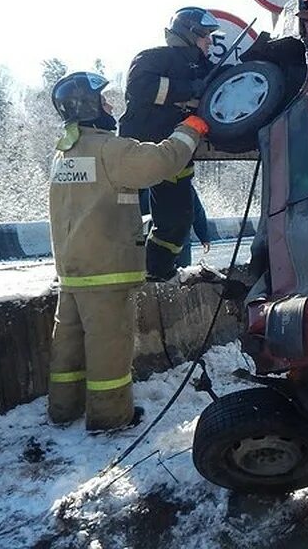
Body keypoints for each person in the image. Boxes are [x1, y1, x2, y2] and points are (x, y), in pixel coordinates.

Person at [48, 71, 209, 431]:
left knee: (68, 345)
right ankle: (110, 417)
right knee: (110, 348)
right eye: (103, 100)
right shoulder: (108, 149)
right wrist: (191, 129)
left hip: (72, 270)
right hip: (106, 271)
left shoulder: (64, 153)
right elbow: (161, 161)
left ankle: (63, 409)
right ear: (88, 105)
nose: (109, 106)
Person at [119, 7, 221, 281]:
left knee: (177, 220)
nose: (209, 42)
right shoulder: (152, 59)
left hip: (176, 158)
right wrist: (189, 90)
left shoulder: (207, 69)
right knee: (117, 219)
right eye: (205, 36)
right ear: (189, 33)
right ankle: (110, 268)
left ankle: (158, 269)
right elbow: (140, 86)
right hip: (136, 151)